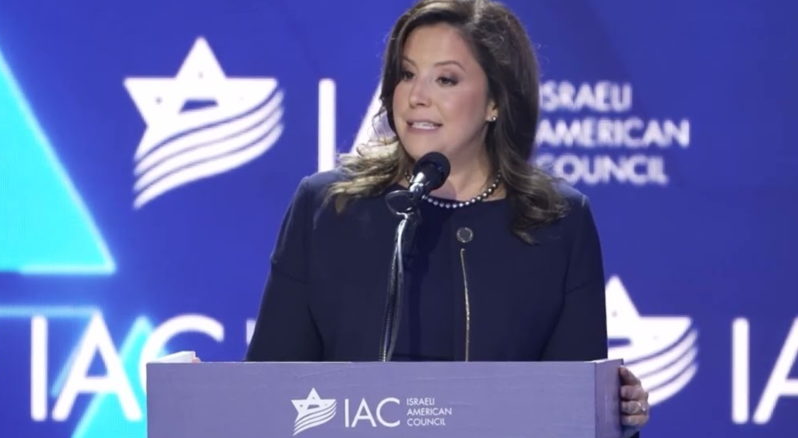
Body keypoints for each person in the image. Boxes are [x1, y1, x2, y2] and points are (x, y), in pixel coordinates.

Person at [245, 0, 650, 436]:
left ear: (495, 100)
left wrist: (617, 415)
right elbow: (266, 393)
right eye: (406, 74)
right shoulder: (328, 207)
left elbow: (574, 413)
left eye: (445, 79)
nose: (416, 97)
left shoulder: (556, 222)